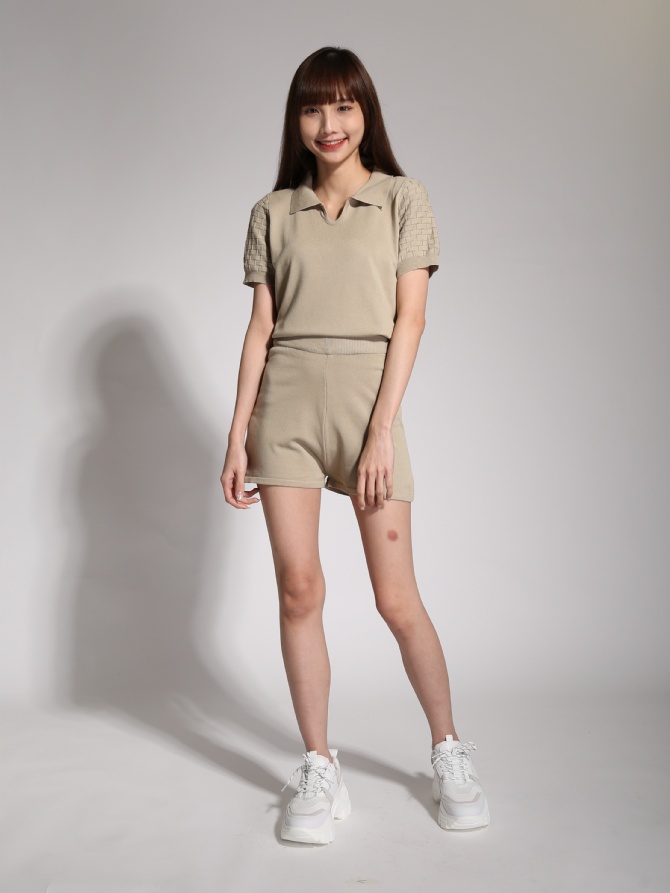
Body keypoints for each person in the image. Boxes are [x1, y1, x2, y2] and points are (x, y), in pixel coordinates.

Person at [220, 46, 490, 845]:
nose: (328, 123)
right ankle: (318, 764)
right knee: (298, 590)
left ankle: (449, 750)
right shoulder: (272, 212)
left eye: (343, 105)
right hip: (287, 408)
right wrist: (236, 435)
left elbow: (412, 319)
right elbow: (260, 330)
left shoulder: (404, 199)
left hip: (370, 404)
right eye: (313, 108)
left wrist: (379, 431)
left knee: (396, 599)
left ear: (366, 111)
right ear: (296, 121)